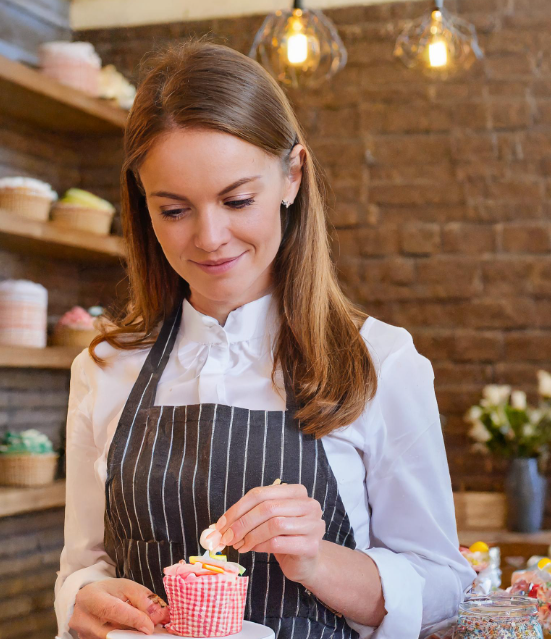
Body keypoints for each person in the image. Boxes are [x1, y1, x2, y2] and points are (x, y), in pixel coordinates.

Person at [54, 41, 474, 639]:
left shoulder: (380, 360)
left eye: (237, 200)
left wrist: (316, 560)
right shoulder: (104, 368)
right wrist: (84, 601)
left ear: (292, 176)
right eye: (174, 210)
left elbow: (442, 586)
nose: (210, 237)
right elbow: (81, 567)